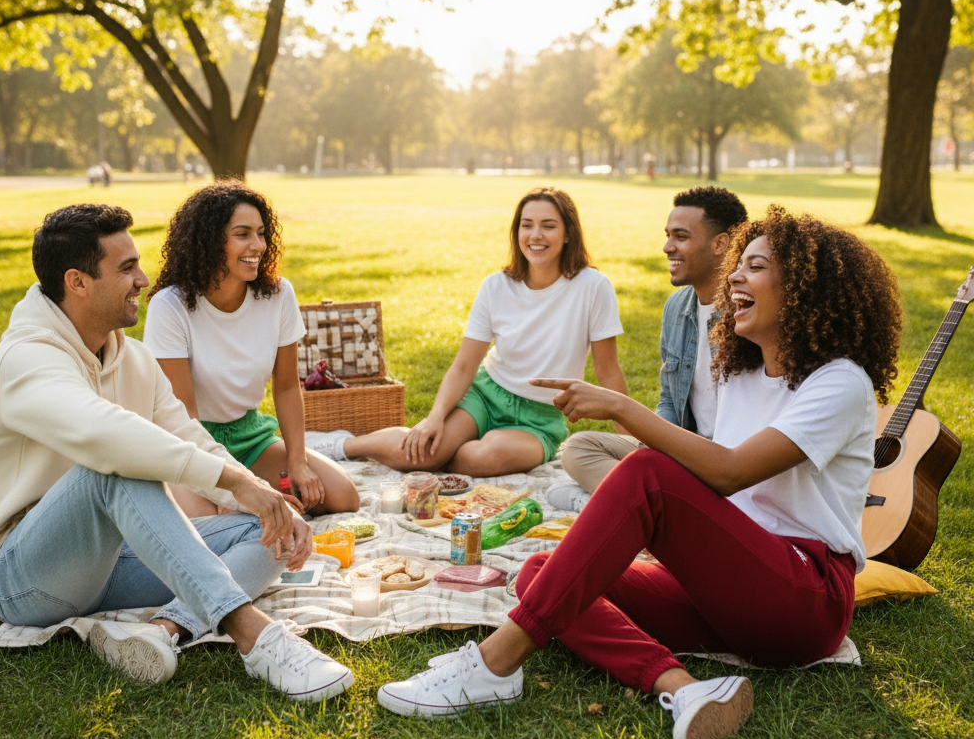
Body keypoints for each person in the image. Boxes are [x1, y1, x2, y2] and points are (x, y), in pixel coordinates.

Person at [375, 206, 902, 739]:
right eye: (737, 266)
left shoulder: (840, 383)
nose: (735, 278)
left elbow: (729, 472)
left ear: (803, 288)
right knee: (542, 575)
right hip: (736, 587)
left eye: (757, 267)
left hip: (803, 597)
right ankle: (684, 689)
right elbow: (718, 487)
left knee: (647, 474)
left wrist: (619, 408)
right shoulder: (741, 371)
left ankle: (494, 664)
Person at [0, 204, 353, 700]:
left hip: (109, 562)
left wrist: (252, 496)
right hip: (23, 577)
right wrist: (238, 482)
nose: (143, 279)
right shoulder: (26, 359)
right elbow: (104, 436)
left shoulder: (133, 359)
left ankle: (165, 631)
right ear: (77, 282)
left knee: (270, 527)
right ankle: (255, 637)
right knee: (113, 468)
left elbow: (189, 436)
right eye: (126, 269)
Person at [308, 187, 629, 476]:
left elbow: (608, 371)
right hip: (485, 395)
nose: (535, 235)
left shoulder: (593, 287)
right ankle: (342, 446)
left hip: (539, 417)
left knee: (483, 457)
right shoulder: (497, 286)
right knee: (422, 451)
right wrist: (436, 417)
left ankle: (432, 453)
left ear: (568, 233)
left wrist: (628, 447)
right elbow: (464, 365)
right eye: (527, 224)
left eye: (548, 225)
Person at [143, 181, 358, 516]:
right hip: (192, 444)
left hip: (250, 436)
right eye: (242, 234)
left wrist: (297, 462)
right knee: (216, 524)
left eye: (261, 233)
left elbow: (286, 387)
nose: (258, 245)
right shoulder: (169, 306)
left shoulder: (277, 294)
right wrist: (246, 488)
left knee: (342, 495)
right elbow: (185, 417)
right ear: (210, 241)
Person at [549, 186, 747, 511]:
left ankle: (614, 502)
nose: (668, 247)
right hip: (681, 451)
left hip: (726, 464)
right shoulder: (677, 308)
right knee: (580, 448)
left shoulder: (748, 313)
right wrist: (649, 446)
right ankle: (638, 499)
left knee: (643, 475)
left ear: (720, 244)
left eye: (680, 237)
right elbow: (670, 398)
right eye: (668, 235)